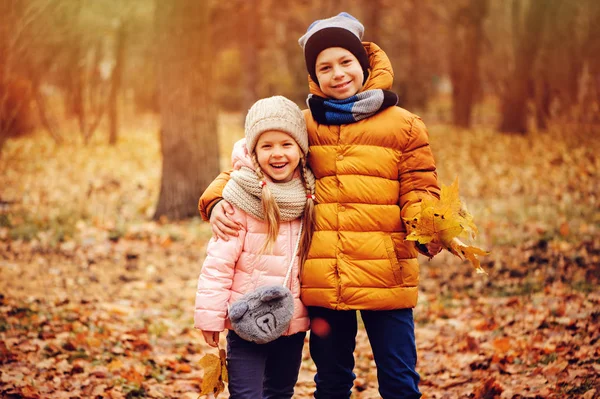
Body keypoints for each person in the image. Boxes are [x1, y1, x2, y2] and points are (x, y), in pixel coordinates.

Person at [199, 12, 443, 399]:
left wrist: (427, 223)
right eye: (324, 67)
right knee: (331, 381)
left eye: (345, 62)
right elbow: (250, 165)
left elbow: (420, 186)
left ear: (363, 64)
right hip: (326, 278)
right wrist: (214, 199)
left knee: (399, 378)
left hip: (387, 271)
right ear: (314, 75)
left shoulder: (405, 126)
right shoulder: (304, 125)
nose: (338, 74)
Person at [194, 95, 316, 399]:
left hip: (291, 324)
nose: (277, 154)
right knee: (246, 394)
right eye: (267, 145)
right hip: (245, 324)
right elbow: (218, 263)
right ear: (253, 150)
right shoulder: (238, 198)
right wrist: (210, 318)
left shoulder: (310, 194)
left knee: (280, 392)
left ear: (301, 151)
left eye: (286, 145)